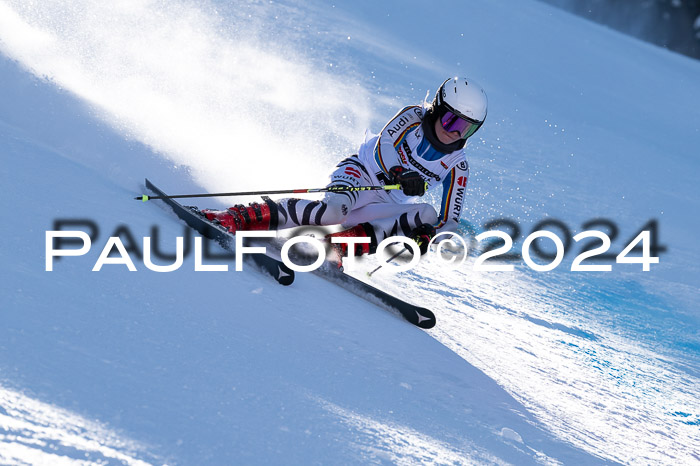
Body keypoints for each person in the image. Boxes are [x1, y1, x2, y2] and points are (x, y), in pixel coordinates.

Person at [200, 76, 487, 258]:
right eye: (453, 121)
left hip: (385, 204)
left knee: (426, 213)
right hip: (361, 175)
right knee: (331, 211)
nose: (457, 133)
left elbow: (450, 220)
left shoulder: (457, 167)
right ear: (437, 108)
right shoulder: (413, 117)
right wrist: (400, 174)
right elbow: (383, 146)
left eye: (469, 129)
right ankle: (238, 216)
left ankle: (332, 249)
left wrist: (431, 235)